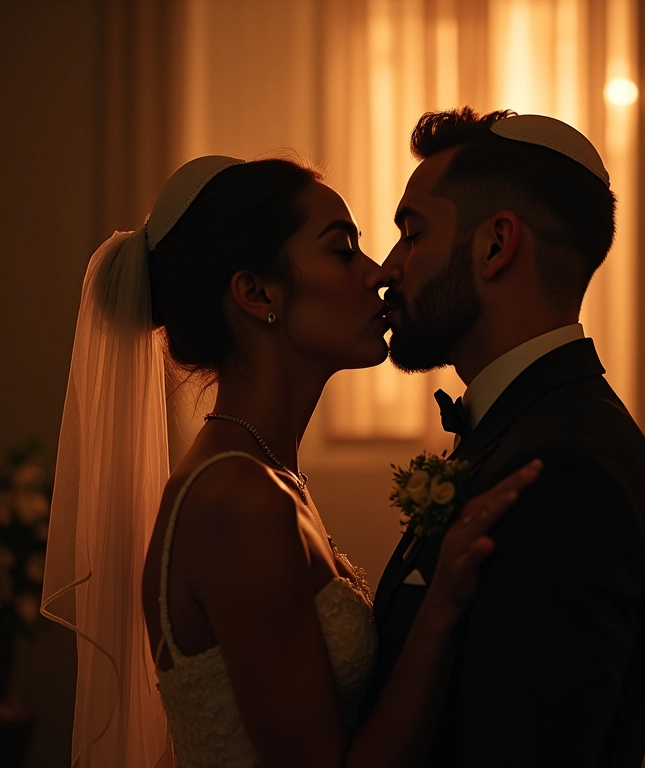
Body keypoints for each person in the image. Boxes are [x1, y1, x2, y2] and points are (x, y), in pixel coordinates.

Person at [41, 154, 543, 767]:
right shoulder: (236, 500)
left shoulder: (270, 477)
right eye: (342, 250)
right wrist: (441, 604)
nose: (378, 274)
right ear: (256, 293)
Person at [370, 108, 645, 767]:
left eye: (412, 232)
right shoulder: (526, 429)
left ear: (495, 246)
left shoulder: (566, 475)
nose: (388, 267)